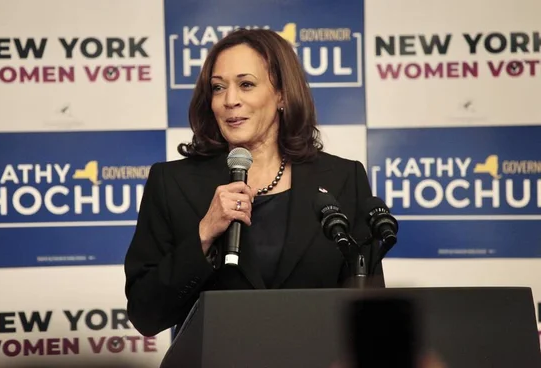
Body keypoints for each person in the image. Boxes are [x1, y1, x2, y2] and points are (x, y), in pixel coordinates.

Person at [124, 28, 385, 338]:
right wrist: (205, 233)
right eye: (218, 88)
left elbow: (370, 311)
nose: (229, 100)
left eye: (246, 84)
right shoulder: (172, 183)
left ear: (282, 95)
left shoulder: (343, 179)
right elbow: (145, 314)